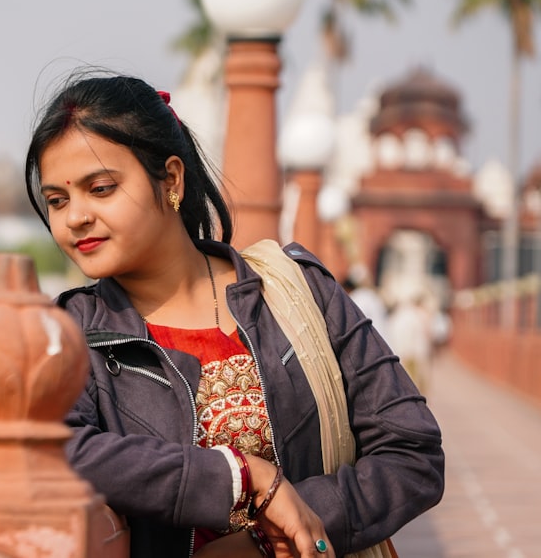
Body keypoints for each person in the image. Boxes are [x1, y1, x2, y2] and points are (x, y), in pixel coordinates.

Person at [23, 73, 444, 558]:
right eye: (57, 200)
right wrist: (240, 478)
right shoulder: (73, 334)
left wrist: (270, 537)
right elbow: (53, 449)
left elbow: (413, 451)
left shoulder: (297, 290)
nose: (75, 216)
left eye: (100, 188)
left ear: (172, 179)